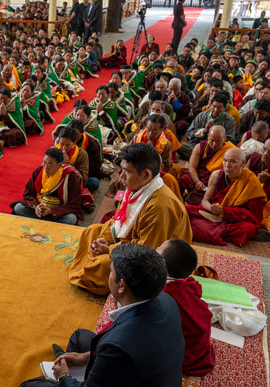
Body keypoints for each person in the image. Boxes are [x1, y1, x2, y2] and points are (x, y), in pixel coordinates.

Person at [21, 243, 184, 387]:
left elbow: (122, 346)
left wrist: (63, 376)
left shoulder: (118, 346)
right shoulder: (166, 300)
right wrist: (86, 357)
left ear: (122, 285)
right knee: (80, 337)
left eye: (111, 271)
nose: (108, 275)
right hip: (142, 372)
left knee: (30, 385)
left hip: (127, 364)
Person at [68, 143, 192, 295]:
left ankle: (92, 272)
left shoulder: (159, 206)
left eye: (126, 171)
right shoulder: (137, 186)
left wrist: (109, 249)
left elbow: (146, 250)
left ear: (146, 174)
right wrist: (106, 239)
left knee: (100, 265)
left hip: (153, 256)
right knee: (91, 232)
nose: (120, 176)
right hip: (130, 240)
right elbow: (119, 218)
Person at [157, 239, 215, 377]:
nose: (155, 248)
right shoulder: (187, 283)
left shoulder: (162, 295)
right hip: (199, 348)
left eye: (158, 248)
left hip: (183, 355)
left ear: (163, 263)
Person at [186, 147, 266, 247]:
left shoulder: (251, 181)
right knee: (186, 210)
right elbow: (205, 201)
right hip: (214, 214)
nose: (227, 165)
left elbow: (254, 215)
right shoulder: (216, 175)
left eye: (233, 162)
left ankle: (205, 230)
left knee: (248, 228)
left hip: (235, 219)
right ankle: (221, 233)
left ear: (243, 163)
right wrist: (212, 208)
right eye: (225, 160)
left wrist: (225, 212)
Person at [11, 147, 83, 225]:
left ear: (59, 165)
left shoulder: (70, 176)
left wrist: (52, 211)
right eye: (44, 162)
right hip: (40, 207)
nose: (45, 167)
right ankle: (49, 223)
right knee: (19, 207)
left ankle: (40, 221)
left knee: (71, 218)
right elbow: (28, 193)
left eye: (50, 164)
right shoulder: (39, 171)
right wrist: (36, 206)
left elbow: (74, 203)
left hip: (57, 212)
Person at [179, 126, 234, 205]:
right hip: (198, 176)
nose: (214, 144)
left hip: (216, 181)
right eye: (211, 140)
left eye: (218, 141)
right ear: (208, 136)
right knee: (184, 179)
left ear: (224, 138)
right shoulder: (200, 147)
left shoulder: (230, 151)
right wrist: (197, 181)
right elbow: (191, 167)